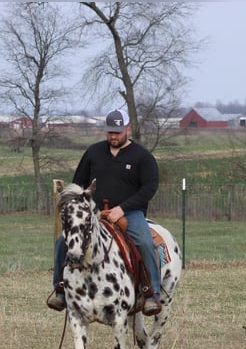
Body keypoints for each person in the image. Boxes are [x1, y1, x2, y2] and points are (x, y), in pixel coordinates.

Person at [47, 108, 162, 315]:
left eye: (117, 132)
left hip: (129, 213)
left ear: (127, 129)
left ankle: (151, 292)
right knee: (62, 242)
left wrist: (123, 208)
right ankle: (60, 289)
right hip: (95, 213)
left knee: (145, 242)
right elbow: (79, 183)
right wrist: (85, 208)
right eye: (110, 132)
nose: (113, 136)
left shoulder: (142, 156)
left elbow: (149, 188)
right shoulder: (93, 152)